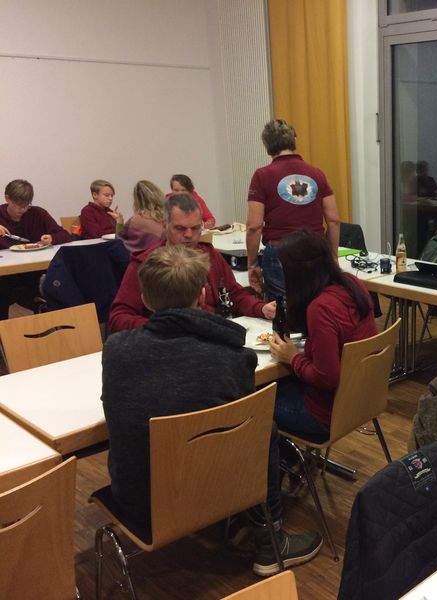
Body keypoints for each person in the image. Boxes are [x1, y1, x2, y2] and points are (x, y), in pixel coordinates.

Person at [101, 244, 321, 577]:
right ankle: (271, 542)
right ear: (203, 295)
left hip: (137, 502)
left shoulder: (116, 351)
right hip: (218, 495)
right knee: (262, 431)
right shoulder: (232, 357)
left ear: (144, 299)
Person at [107, 193, 275, 334]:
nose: (189, 235)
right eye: (180, 228)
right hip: (165, 342)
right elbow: (118, 318)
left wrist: (261, 308)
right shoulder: (146, 263)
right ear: (165, 226)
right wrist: (163, 327)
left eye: (195, 228)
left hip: (211, 336)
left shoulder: (210, 255)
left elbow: (234, 295)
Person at [268, 229, 377, 438]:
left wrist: (293, 358)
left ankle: (283, 456)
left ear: (297, 273)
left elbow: (327, 378)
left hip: (325, 415)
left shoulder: (320, 308)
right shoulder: (351, 283)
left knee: (252, 399)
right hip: (362, 400)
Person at [246, 119, 341, 300]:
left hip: (281, 252)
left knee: (285, 311)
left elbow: (254, 226)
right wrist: (333, 257)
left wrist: (252, 265)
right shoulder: (317, 174)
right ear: (294, 140)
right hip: (316, 250)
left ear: (266, 145)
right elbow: (334, 220)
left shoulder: (262, 176)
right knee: (317, 306)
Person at [0, 179, 72, 319]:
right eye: (18, 205)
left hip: (35, 271)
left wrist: (52, 238)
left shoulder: (38, 214)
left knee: (60, 276)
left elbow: (65, 235)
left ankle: (57, 319)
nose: (23, 210)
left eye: (27, 205)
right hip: (7, 273)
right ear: (7, 198)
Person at [117, 180, 166, 253]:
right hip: (162, 257)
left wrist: (119, 223)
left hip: (141, 259)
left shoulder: (135, 220)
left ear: (136, 200)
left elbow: (119, 243)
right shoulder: (168, 217)